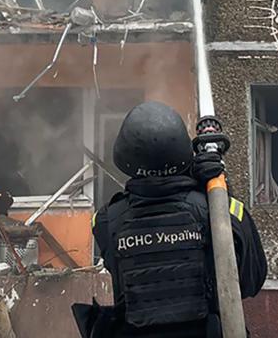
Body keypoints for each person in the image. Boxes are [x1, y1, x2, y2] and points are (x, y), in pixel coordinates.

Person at [73, 101, 267, 337]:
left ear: (124, 156)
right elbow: (251, 280)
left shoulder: (106, 220)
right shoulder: (217, 211)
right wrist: (215, 186)